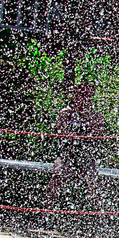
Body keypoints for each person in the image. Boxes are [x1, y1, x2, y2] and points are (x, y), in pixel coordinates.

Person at [45, 81, 106, 212]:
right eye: (82, 94)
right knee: (58, 176)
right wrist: (83, 132)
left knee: (93, 181)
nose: (85, 99)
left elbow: (98, 134)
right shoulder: (66, 113)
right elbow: (62, 133)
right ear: (76, 95)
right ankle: (47, 211)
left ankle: (101, 216)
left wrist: (82, 130)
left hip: (87, 155)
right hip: (66, 154)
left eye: (88, 96)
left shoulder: (96, 115)